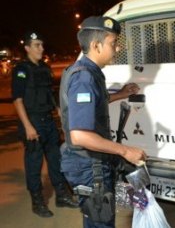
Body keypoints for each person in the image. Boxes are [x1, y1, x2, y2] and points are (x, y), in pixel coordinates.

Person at [59, 16, 147, 228]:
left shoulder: (89, 72)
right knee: (101, 222)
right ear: (95, 45)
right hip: (89, 164)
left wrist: (122, 94)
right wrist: (125, 151)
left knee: (98, 219)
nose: (116, 49)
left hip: (92, 162)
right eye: (113, 43)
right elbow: (80, 135)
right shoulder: (84, 78)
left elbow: (97, 101)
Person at [11, 31, 78, 218]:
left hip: (48, 121)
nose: (41, 48)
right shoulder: (21, 70)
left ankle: (62, 195)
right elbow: (17, 100)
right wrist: (28, 127)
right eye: (36, 45)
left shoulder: (44, 68)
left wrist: (59, 113)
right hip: (32, 121)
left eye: (42, 44)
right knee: (34, 163)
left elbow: (50, 94)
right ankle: (37, 201)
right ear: (27, 48)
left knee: (56, 159)